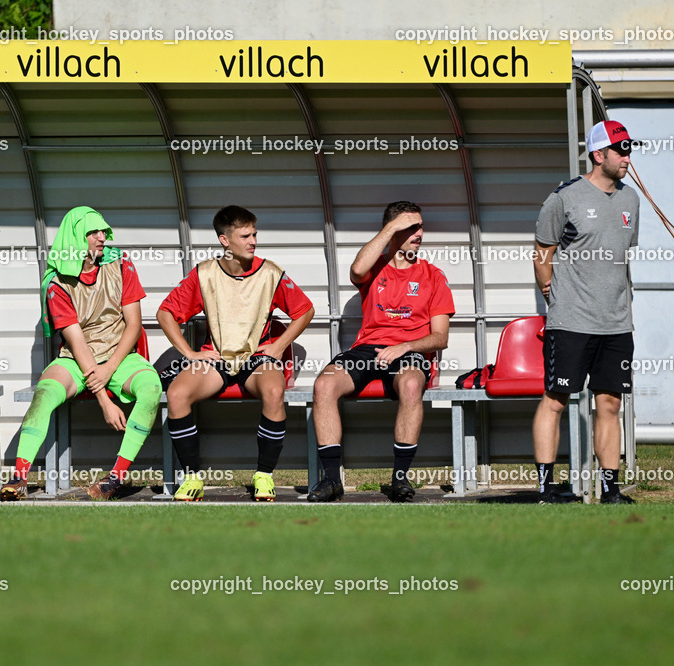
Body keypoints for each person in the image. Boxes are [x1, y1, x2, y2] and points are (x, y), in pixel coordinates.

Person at [0, 207, 161, 501]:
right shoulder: (56, 282)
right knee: (45, 392)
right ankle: (18, 478)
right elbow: (77, 343)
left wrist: (109, 369)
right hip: (77, 359)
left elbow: (134, 326)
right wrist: (104, 402)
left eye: (103, 231)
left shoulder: (121, 263)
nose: (102, 237)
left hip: (120, 356)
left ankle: (115, 479)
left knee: (151, 387)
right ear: (76, 237)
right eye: (94, 232)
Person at [157, 205, 314, 502]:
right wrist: (190, 353)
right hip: (217, 358)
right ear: (224, 241)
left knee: (273, 390)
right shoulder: (203, 273)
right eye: (245, 235)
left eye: (254, 233)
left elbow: (305, 310)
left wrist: (279, 346)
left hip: (257, 358)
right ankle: (191, 478)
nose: (253, 240)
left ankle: (264, 476)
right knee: (177, 393)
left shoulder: (271, 272)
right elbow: (165, 313)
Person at [308, 201, 454, 502]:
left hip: (410, 350)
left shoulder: (433, 276)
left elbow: (440, 338)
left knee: (412, 385)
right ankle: (332, 480)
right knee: (324, 384)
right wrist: (389, 230)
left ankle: (400, 478)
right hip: (368, 349)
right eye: (410, 227)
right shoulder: (374, 269)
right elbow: (357, 269)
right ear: (392, 231)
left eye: (420, 227)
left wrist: (406, 346)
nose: (419, 234)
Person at [532, 120, 639, 505]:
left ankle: (610, 489)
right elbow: (543, 251)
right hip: (572, 321)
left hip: (617, 323)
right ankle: (546, 488)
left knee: (609, 403)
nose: (627, 156)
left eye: (629, 148)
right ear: (599, 155)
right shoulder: (564, 198)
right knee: (556, 399)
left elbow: (622, 258)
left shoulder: (631, 200)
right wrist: (552, 295)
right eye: (621, 149)